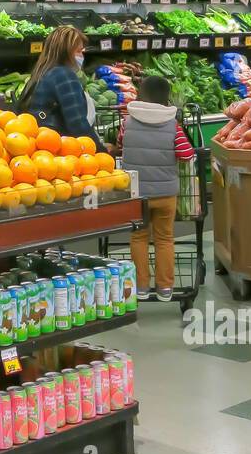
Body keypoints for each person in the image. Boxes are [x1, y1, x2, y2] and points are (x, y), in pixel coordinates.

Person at [120, 75, 195, 302]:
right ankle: (165, 288)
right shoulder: (173, 126)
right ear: (166, 99)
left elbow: (121, 144)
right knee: (164, 239)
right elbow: (187, 154)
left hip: (137, 195)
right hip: (165, 195)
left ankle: (141, 287)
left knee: (139, 238)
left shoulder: (127, 123)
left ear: (141, 95)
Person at [17, 25, 103, 148]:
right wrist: (102, 151)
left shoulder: (40, 73)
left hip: (37, 148)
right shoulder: (63, 75)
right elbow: (78, 125)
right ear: (65, 53)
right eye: (78, 51)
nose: (81, 56)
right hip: (57, 149)